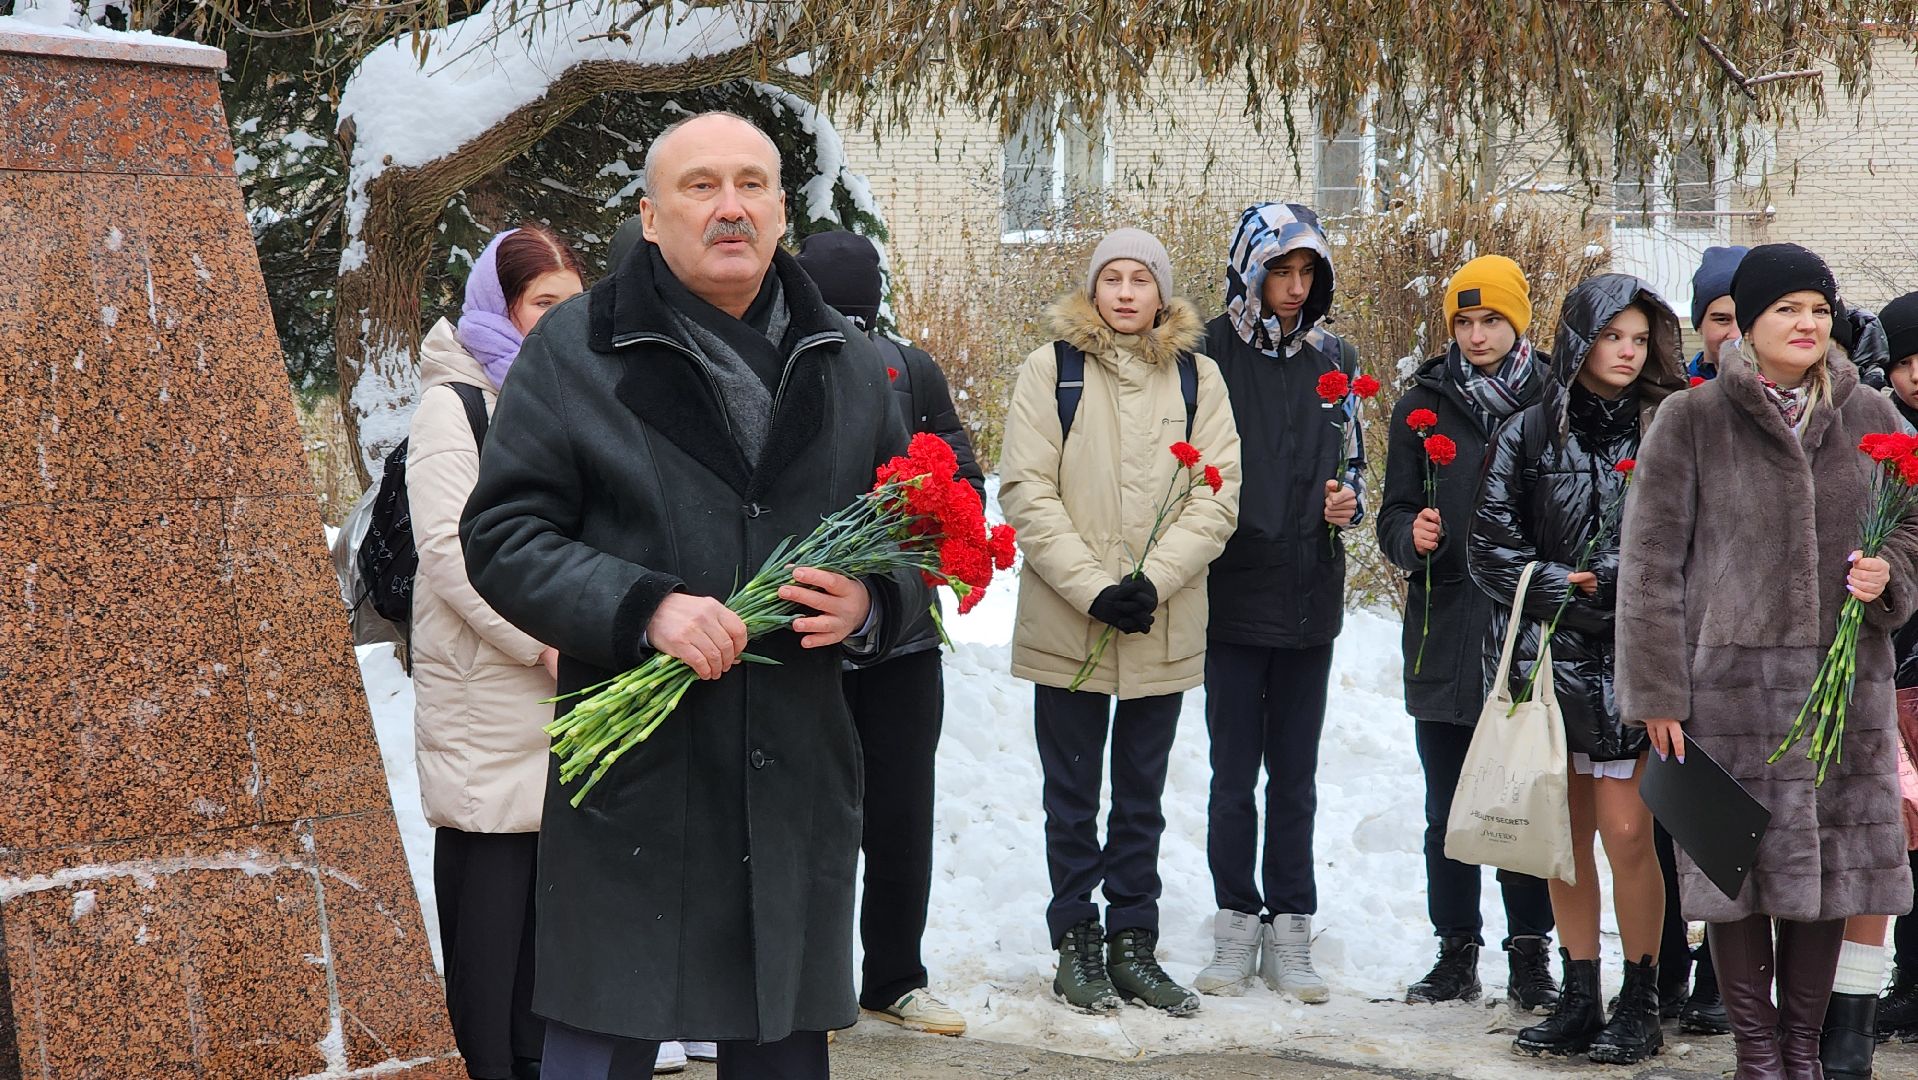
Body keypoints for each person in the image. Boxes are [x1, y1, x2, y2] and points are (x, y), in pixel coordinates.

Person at [460, 111, 925, 1080]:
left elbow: (913, 542)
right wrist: (643, 608)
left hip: (790, 789)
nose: (729, 208)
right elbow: (502, 538)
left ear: (780, 210)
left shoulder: (848, 364)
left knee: (782, 1054)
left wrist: (872, 607)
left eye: (751, 185)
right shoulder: (577, 354)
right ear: (650, 215)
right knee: (600, 1053)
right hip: (639, 794)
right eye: (700, 186)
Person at [1619, 243, 1918, 1079]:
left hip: (1842, 685)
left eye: (1820, 310)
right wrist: (1656, 693)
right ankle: (1757, 1056)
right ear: (1747, 322)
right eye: (1788, 309)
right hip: (1728, 690)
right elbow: (1649, 565)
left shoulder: (1870, 416)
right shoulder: (1694, 418)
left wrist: (1890, 572)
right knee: (1735, 870)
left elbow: (1915, 524)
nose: (1807, 324)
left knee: (1829, 872)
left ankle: (1803, 1054)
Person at [999, 227, 1241, 1016]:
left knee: (1141, 796)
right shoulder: (1051, 370)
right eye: (1114, 278)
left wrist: (1153, 581)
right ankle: (1077, 940)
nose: (1128, 292)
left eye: (1142, 278)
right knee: (1071, 796)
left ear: (1163, 293)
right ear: (1094, 289)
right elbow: (1026, 492)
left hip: (1160, 622)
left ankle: (1134, 941)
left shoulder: (1200, 379)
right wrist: (1096, 589)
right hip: (1069, 621)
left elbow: (1217, 495)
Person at [1471, 273, 1688, 1063]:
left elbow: (1695, 543)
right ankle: (1579, 991)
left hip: (1636, 661)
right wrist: (1564, 586)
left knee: (1631, 833)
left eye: (1639, 338)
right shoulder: (1526, 433)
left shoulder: (1669, 427)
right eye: (1611, 337)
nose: (1627, 353)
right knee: (1562, 836)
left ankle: (1643, 995)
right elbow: (1488, 548)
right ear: (1578, 340)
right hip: (1552, 661)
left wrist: (1629, 590)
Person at [794, 229, 981, 1036]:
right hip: (804, 627)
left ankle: (895, 976)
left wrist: (914, 531)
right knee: (812, 813)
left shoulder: (914, 367)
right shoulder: (784, 362)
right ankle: (809, 977)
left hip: (901, 634)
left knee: (902, 811)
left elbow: (965, 480)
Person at [407, 224, 583, 1080]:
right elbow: (448, 551)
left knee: (548, 926)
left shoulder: (570, 393)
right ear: (501, 306)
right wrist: (541, 638)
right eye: (542, 304)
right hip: (491, 688)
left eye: (569, 306)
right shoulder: (457, 401)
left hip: (558, 688)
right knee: (490, 911)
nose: (557, 322)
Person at [1374, 255, 1559, 1012]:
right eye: (1464, 321)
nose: (1477, 335)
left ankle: (1531, 954)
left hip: (1526, 633)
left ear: (1517, 321)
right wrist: (1406, 534)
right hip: (1446, 630)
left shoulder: (1557, 398)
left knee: (1524, 798)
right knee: (1447, 804)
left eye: (1491, 321)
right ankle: (1456, 950)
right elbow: (1390, 510)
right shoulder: (1422, 404)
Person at [1187, 203, 1357, 1004]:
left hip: (1308, 594)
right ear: (1249, 271)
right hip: (1230, 590)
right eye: (1281, 272)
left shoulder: (1336, 357)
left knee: (1296, 774)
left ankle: (1292, 924)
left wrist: (1346, 501)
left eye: (1306, 275)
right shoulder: (1207, 351)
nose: (1294, 289)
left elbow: (1354, 458)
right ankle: (1233, 923)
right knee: (1232, 771)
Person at [1687, 245, 1748, 382]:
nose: (1736, 335)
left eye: (1746, 320)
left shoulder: (1791, 396)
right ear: (1699, 324)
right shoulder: (1673, 393)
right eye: (1722, 319)